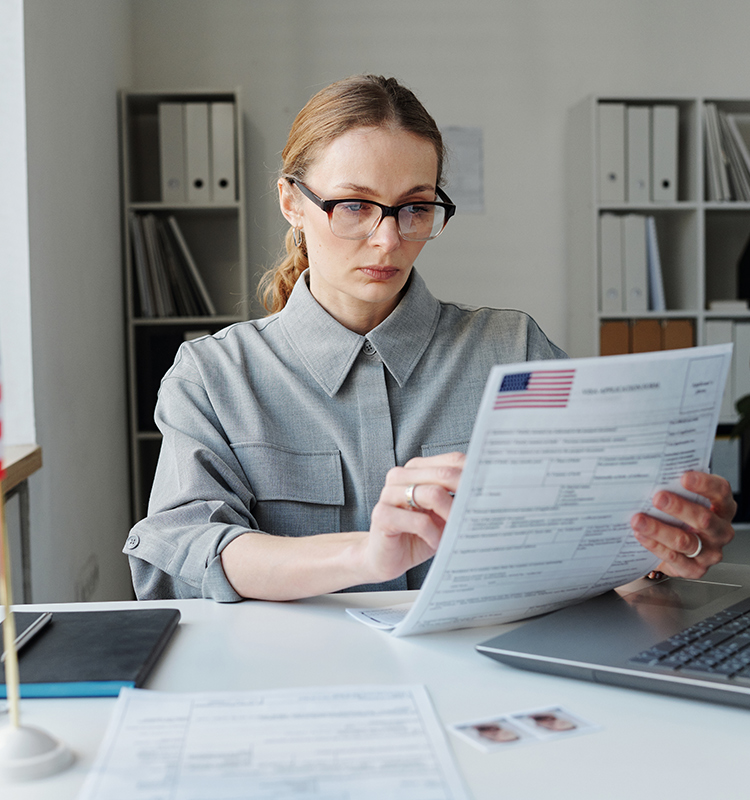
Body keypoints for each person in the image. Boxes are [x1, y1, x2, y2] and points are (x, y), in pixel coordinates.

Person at [124, 74, 736, 602]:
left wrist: (661, 547)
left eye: (414, 208)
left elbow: (595, 544)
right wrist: (367, 557)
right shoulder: (212, 376)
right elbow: (183, 557)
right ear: (291, 201)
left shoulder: (513, 349)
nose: (388, 240)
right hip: (299, 687)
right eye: (354, 206)